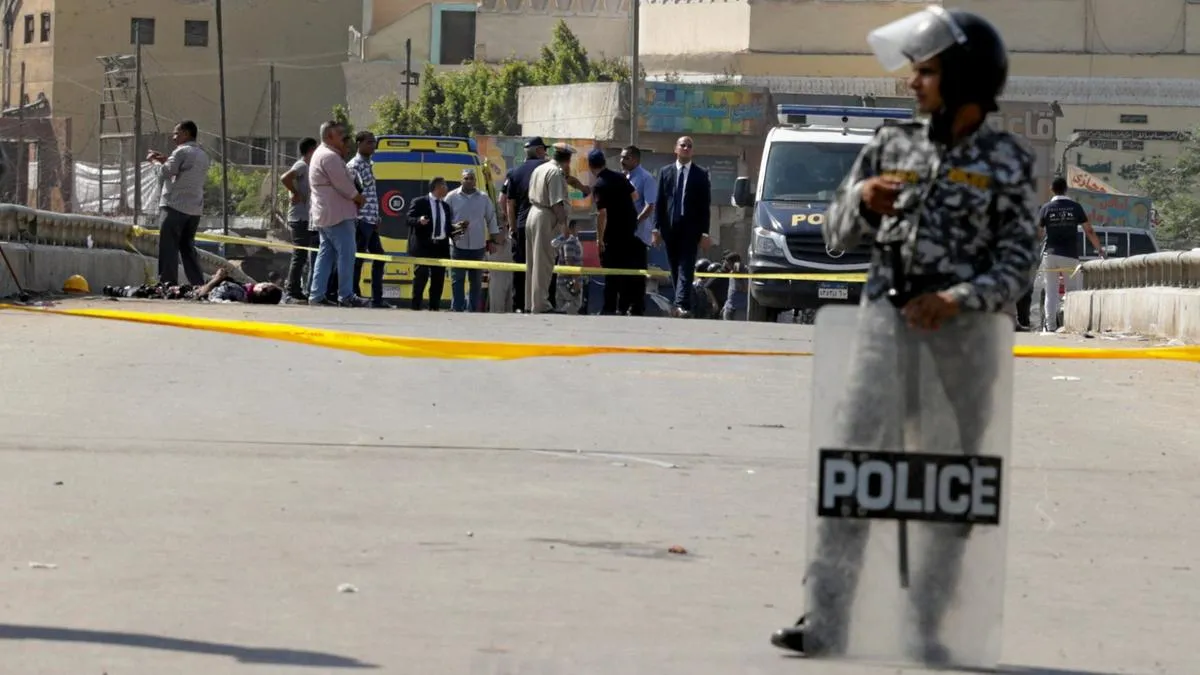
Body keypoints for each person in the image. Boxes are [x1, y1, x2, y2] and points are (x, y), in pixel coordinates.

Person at [770, 6, 1038, 661]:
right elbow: (834, 232)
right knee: (854, 474)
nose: (913, 83)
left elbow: (1017, 261)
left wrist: (956, 299)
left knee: (949, 488)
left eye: (928, 71)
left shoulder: (1008, 161)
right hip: (881, 341)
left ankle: (927, 625)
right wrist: (861, 200)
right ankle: (827, 614)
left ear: (965, 78)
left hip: (962, 349)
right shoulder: (891, 144)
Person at [308, 121, 369, 308]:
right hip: (338, 215)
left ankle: (316, 295)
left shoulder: (322, 154)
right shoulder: (329, 157)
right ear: (329, 136)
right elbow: (344, 185)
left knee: (326, 255)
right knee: (347, 254)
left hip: (326, 214)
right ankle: (346, 295)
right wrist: (358, 198)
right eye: (341, 135)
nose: (345, 139)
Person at [1033, 175, 1105, 332]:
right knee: (1072, 291)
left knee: (1051, 292)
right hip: (1070, 255)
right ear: (1066, 190)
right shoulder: (1075, 207)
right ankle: (1071, 324)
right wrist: (1099, 249)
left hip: (1050, 255)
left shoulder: (1045, 208)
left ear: (1051, 190)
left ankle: (1050, 326)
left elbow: (1038, 233)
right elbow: (1089, 230)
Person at [653, 136, 712, 317]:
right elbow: (660, 202)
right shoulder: (665, 172)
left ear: (692, 151)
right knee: (674, 268)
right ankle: (684, 304)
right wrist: (656, 229)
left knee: (686, 267)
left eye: (689, 146)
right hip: (670, 228)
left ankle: (681, 305)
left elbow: (705, 206)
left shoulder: (701, 174)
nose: (686, 148)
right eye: (683, 145)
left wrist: (705, 233)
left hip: (691, 229)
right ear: (676, 149)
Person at [147, 120, 210, 287]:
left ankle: (167, 284)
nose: (173, 137)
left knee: (168, 247)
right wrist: (167, 160)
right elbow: (183, 172)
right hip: (194, 209)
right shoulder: (202, 155)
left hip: (174, 206)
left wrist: (154, 162)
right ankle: (198, 284)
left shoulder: (181, 151)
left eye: (177, 133)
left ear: (187, 133)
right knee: (187, 248)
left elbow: (165, 173)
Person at [587, 149, 643, 316]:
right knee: (626, 270)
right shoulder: (620, 177)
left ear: (590, 166)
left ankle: (609, 307)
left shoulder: (599, 185)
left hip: (613, 234)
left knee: (611, 271)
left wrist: (599, 239)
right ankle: (623, 306)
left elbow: (602, 214)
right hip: (629, 230)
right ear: (604, 162)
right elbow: (635, 195)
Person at [525, 143, 573, 314]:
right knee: (544, 263)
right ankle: (541, 305)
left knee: (533, 263)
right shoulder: (555, 172)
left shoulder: (540, 168)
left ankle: (530, 303)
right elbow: (557, 203)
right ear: (568, 160)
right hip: (546, 216)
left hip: (533, 213)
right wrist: (564, 225)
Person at [501, 137, 548, 312]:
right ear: (539, 151)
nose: (546, 153)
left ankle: (519, 305)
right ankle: (543, 303)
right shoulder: (547, 169)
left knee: (521, 265)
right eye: (544, 149)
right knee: (544, 264)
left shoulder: (514, 172)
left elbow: (506, 202)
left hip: (521, 225)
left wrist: (512, 227)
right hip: (543, 224)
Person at [446, 168, 500, 312]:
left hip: (478, 246)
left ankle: (473, 310)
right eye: (466, 178)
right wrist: (454, 228)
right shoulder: (451, 197)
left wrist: (493, 239)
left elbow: (491, 218)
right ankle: (457, 308)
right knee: (457, 280)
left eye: (471, 178)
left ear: (475, 181)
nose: (469, 181)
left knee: (476, 282)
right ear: (461, 180)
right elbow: (445, 219)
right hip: (457, 245)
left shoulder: (483, 198)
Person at [347, 131, 388, 308]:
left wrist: (376, 216)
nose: (373, 146)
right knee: (357, 260)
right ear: (359, 143)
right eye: (369, 142)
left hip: (371, 220)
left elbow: (370, 193)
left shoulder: (369, 164)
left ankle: (377, 299)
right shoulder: (354, 165)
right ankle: (354, 295)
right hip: (360, 219)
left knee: (379, 257)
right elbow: (352, 193)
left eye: (374, 142)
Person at [407, 177, 454, 311]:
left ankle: (434, 308)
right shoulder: (420, 202)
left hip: (440, 247)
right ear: (437, 187)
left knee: (438, 280)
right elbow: (408, 219)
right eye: (444, 186)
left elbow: (446, 227)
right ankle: (416, 307)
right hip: (423, 247)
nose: (447, 189)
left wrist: (457, 229)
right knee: (421, 278)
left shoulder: (445, 206)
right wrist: (419, 220)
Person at [281, 137, 318, 303]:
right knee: (299, 255)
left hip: (306, 218)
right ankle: (292, 290)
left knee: (304, 256)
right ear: (311, 150)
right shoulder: (302, 165)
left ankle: (299, 289)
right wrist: (296, 193)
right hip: (299, 218)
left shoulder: (308, 167)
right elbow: (285, 178)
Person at [551, 222, 583, 315]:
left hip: (562, 281)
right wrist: (575, 280)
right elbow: (569, 260)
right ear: (572, 228)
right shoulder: (571, 241)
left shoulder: (563, 240)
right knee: (575, 304)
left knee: (561, 307)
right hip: (569, 282)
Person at [721, 252, 749, 321]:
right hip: (729, 306)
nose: (726, 265)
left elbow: (746, 289)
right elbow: (731, 291)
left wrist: (738, 278)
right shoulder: (731, 272)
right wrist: (725, 305)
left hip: (740, 308)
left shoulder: (745, 272)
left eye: (728, 263)